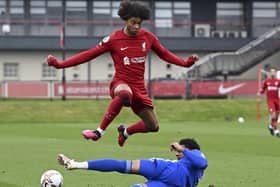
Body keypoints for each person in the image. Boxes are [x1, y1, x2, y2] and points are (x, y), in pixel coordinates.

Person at [46, 0, 199, 146]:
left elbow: (165, 54)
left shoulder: (148, 37)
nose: (137, 26)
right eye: (133, 22)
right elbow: (89, 54)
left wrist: (185, 63)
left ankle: (125, 132)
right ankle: (99, 131)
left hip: (139, 88)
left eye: (140, 23)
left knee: (153, 126)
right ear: (126, 20)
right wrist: (60, 65)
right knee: (125, 94)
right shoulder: (114, 39)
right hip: (120, 83)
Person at [57, 138, 208, 187]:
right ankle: (75, 164)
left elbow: (202, 163)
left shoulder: (196, 153)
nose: (177, 152)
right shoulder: (182, 161)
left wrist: (184, 150)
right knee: (121, 165)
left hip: (169, 185)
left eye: (179, 150)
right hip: (161, 168)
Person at [258, 67, 280, 137]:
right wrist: (259, 93)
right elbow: (263, 89)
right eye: (271, 72)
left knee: (276, 116)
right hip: (270, 100)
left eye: (274, 71)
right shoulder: (267, 81)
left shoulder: (278, 81)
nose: (273, 73)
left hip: (277, 100)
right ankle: (276, 130)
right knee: (273, 114)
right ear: (270, 73)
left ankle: (271, 126)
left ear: (275, 73)